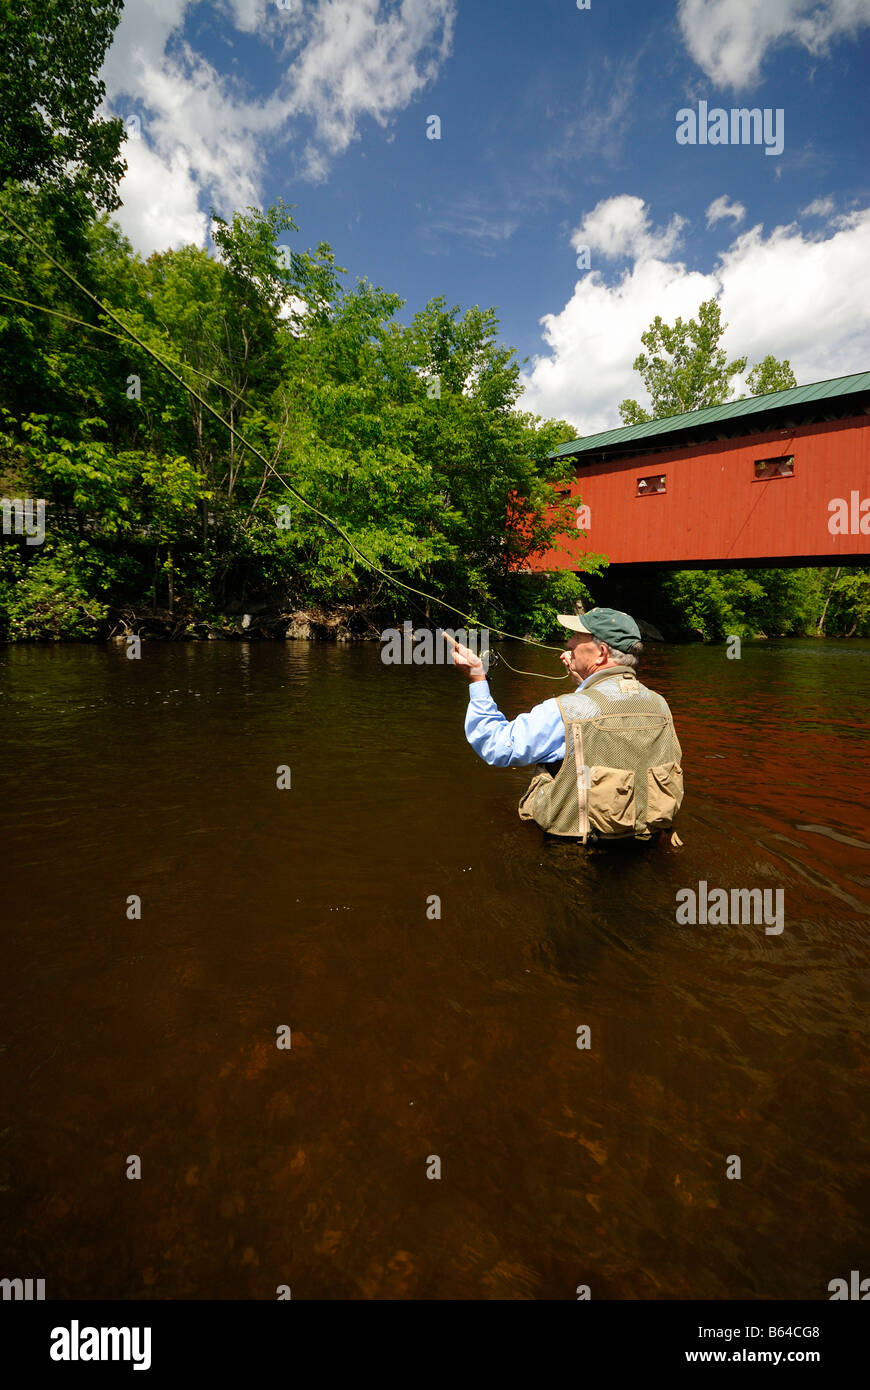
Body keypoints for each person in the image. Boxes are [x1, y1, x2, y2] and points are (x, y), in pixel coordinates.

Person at [452, 607, 683, 844]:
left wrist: (478, 679)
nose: (568, 644)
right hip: (644, 843)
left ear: (601, 653)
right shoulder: (660, 705)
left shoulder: (568, 711)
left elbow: (498, 746)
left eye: (576, 639)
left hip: (574, 852)